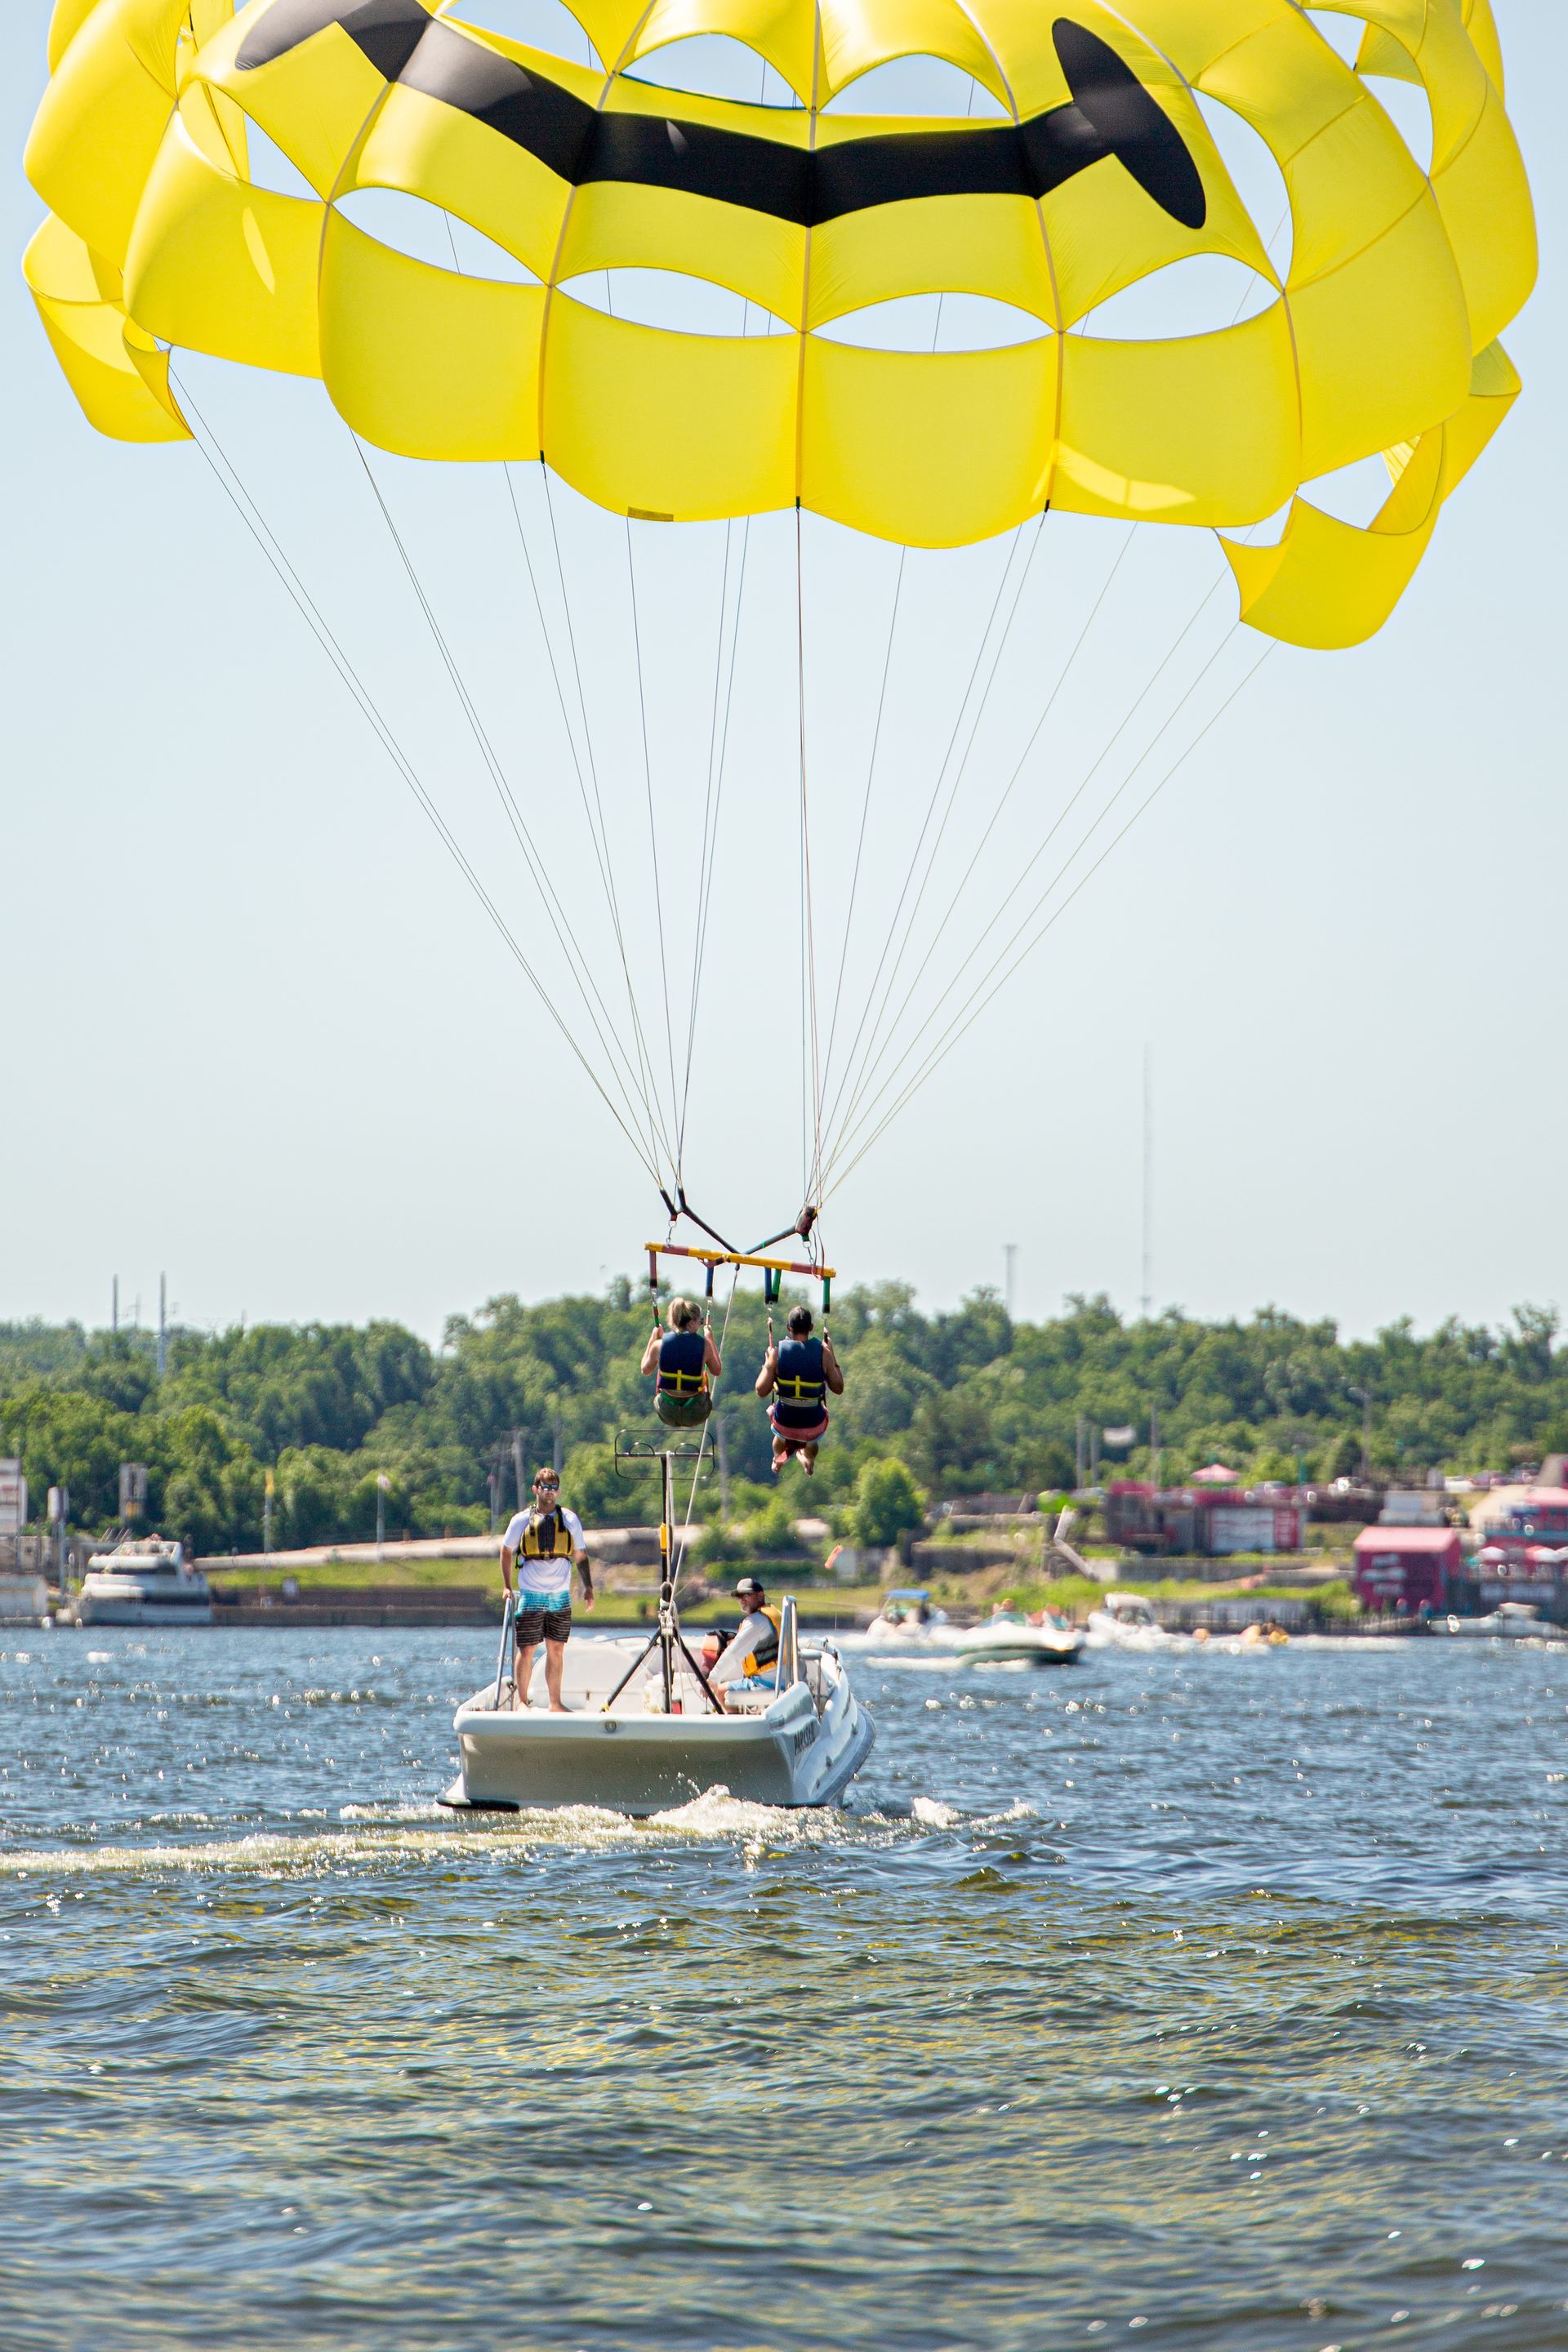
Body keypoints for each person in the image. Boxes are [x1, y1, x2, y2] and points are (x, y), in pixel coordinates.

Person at [500, 1467, 595, 1712]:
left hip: (559, 1595)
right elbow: (506, 1551)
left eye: (554, 1488)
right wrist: (507, 1586)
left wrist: (588, 1587)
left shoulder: (570, 1519)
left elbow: (581, 1555)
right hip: (531, 1594)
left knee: (556, 1648)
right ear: (535, 1489)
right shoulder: (521, 1520)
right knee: (528, 1648)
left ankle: (555, 1703)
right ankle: (522, 1701)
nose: (550, 1492)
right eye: (545, 1487)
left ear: (558, 1491)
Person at [755, 1303, 843, 1475]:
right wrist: (832, 1357)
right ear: (811, 1328)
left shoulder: (777, 1354)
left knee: (780, 1434)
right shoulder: (824, 1353)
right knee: (811, 1438)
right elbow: (838, 1388)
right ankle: (809, 1459)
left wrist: (768, 1366)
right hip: (813, 1424)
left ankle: (778, 1458)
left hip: (784, 1423)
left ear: (789, 1328)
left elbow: (761, 1390)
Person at [640, 1296, 723, 1428]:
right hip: (696, 1411)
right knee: (704, 1375)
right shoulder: (704, 1345)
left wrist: (653, 1338)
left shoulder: (659, 1345)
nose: (701, 1324)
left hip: (667, 1411)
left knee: (661, 1372)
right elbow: (717, 1371)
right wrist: (710, 1338)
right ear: (691, 1323)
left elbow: (645, 1370)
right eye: (700, 1321)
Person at [707, 1577, 782, 1704]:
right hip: (785, 1680)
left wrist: (713, 1679)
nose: (741, 1599)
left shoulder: (756, 1621)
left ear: (760, 1595)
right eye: (739, 1596)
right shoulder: (774, 1614)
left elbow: (733, 1654)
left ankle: (733, 1720)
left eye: (746, 1595)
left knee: (720, 1691)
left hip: (767, 1683)